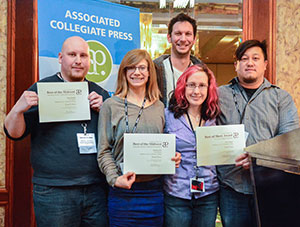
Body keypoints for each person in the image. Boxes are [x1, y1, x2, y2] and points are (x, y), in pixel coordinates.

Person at [4, 36, 110, 226]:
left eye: (83, 55)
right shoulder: (42, 89)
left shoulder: (100, 93)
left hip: (96, 189)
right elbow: (14, 133)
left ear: (89, 61)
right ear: (61, 58)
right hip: (54, 191)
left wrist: (105, 111)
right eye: (72, 55)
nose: (78, 60)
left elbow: (116, 138)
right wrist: (17, 109)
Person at [217, 39, 299, 227]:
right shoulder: (219, 95)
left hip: (270, 185)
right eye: (244, 58)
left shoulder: (280, 98)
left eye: (255, 58)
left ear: (265, 64)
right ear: (236, 65)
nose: (250, 62)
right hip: (231, 186)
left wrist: (256, 159)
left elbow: (290, 140)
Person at [97, 49, 181, 227]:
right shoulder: (110, 105)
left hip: (154, 191)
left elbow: (164, 144)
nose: (137, 72)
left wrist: (172, 157)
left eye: (142, 68)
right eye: (131, 68)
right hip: (122, 192)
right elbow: (103, 151)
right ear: (124, 72)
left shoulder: (159, 107)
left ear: (150, 72)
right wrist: (114, 179)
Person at [164, 63, 220, 227]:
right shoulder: (167, 115)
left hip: (208, 193)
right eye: (191, 85)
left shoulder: (215, 117)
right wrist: (168, 157)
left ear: (209, 89)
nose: (196, 91)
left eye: (202, 85)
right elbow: (158, 148)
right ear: (183, 86)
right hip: (176, 193)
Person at [154, 13, 202, 105]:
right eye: (178, 33)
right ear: (169, 38)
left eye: (188, 34)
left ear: (194, 39)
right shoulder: (154, 70)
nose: (183, 39)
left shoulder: (202, 72)